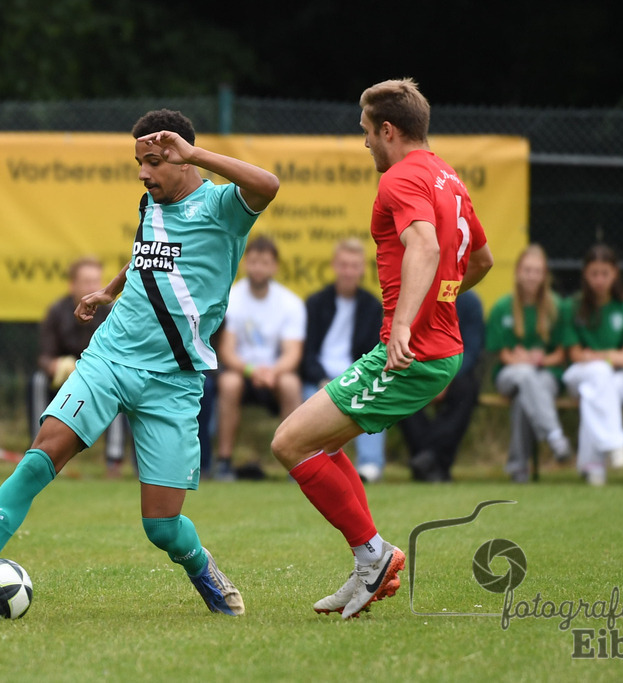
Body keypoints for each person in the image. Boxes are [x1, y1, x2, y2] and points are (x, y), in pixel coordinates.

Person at [0, 108, 280, 618]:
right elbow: (147, 255)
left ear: (183, 157)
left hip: (173, 380)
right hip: (110, 357)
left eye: (155, 161)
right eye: (139, 162)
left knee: (162, 526)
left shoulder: (222, 206)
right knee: (41, 456)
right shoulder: (150, 204)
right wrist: (109, 291)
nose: (144, 172)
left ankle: (201, 566)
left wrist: (196, 153)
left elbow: (269, 184)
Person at [270, 78, 493, 619]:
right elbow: (480, 260)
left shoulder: (399, 178)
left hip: (414, 351)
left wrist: (405, 325)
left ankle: (373, 555)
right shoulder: (448, 177)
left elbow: (425, 244)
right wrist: (440, 303)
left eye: (367, 132)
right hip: (436, 347)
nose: (364, 141)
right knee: (322, 445)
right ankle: (368, 560)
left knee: (289, 442)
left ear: (388, 130)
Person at [214, 236, 305, 480]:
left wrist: (271, 372)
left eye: (265, 262)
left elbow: (292, 353)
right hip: (242, 372)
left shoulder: (290, 303)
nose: (258, 268)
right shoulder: (231, 298)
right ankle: (224, 461)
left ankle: (293, 463)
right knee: (228, 383)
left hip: (276, 374)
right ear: (245, 264)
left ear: (274, 266)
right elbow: (227, 351)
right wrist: (252, 371)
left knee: (291, 384)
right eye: (253, 262)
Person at [29, 256, 129, 477]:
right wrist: (56, 366)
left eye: (96, 281)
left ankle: (114, 462)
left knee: (122, 385)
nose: (93, 287)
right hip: (63, 377)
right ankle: (37, 455)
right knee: (37, 380)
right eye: (86, 281)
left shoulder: (113, 312)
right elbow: (45, 356)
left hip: (102, 375)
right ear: (72, 284)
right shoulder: (56, 311)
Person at [301, 238, 386, 482]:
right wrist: (321, 379)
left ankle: (370, 466)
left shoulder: (372, 307)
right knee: (309, 404)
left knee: (373, 400)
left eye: (354, 266)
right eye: (344, 265)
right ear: (334, 266)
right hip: (320, 378)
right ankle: (312, 465)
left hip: (356, 375)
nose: (349, 271)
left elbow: (374, 353)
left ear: (362, 269)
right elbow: (307, 353)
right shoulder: (315, 303)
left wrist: (356, 379)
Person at [485, 244, 571, 482]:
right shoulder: (503, 306)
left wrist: (539, 359)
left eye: (537, 271)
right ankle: (554, 435)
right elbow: (503, 354)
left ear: (544, 275)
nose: (532, 276)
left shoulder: (556, 307)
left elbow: (561, 355)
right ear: (517, 272)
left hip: (546, 375)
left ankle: (518, 467)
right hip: (509, 375)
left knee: (526, 395)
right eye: (527, 270)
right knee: (523, 375)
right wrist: (521, 360)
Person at [559, 244, 623, 486]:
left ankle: (592, 466)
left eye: (605, 273)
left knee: (593, 392)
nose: (599, 280)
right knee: (599, 374)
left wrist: (597, 355)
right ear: (585, 274)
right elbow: (574, 354)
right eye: (594, 273)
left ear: (615, 273)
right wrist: (609, 356)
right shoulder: (571, 305)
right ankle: (615, 444)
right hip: (578, 374)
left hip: (622, 379)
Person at [397, 289, 485, 482]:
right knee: (399, 386)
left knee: (467, 390)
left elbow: (472, 349)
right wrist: (429, 377)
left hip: (455, 372)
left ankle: (425, 458)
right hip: (420, 369)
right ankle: (434, 462)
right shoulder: (415, 298)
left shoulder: (470, 303)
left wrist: (445, 379)